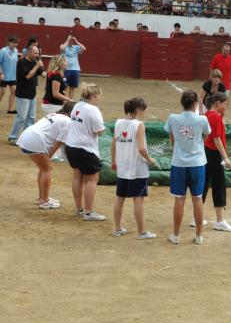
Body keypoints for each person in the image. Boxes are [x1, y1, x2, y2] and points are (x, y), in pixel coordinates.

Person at [164, 90, 211, 245]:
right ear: (196, 103)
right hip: (197, 163)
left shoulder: (173, 118)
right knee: (198, 199)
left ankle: (176, 235)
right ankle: (199, 236)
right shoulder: (202, 119)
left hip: (179, 163)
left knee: (179, 198)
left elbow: (172, 139)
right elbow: (204, 138)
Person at [111, 98, 157, 239]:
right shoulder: (139, 125)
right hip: (136, 168)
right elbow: (141, 148)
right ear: (138, 109)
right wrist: (150, 160)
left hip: (123, 167)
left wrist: (114, 161)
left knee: (120, 198)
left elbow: (113, 143)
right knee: (138, 198)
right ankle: (141, 232)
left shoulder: (118, 123)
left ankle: (117, 228)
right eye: (143, 109)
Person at [16, 102, 75, 209]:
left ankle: (42, 197)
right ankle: (44, 200)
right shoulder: (69, 122)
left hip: (27, 136)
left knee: (43, 169)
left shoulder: (54, 115)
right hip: (35, 139)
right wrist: (50, 156)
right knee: (47, 169)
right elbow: (58, 142)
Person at [64, 83, 106, 221]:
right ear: (94, 95)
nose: (99, 98)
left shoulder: (76, 105)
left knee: (77, 177)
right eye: (98, 95)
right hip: (86, 148)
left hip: (71, 146)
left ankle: (79, 209)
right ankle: (88, 212)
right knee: (92, 179)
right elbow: (99, 131)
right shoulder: (93, 110)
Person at [201, 92, 231, 232]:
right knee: (219, 186)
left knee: (203, 185)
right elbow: (217, 139)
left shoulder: (205, 115)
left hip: (205, 153)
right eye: (224, 104)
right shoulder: (216, 116)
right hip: (214, 155)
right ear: (217, 103)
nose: (225, 107)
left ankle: (196, 217)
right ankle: (219, 221)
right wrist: (225, 158)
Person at [8, 45, 45, 145]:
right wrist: (37, 66)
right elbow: (28, 76)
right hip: (23, 94)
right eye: (35, 53)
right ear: (29, 52)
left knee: (31, 118)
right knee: (22, 117)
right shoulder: (21, 62)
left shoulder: (34, 62)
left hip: (32, 94)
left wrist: (54, 76)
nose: (37, 55)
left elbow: (43, 74)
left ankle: (26, 137)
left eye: (38, 53)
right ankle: (13, 137)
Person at [60, 34, 86, 100]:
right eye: (70, 40)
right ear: (66, 40)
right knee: (65, 87)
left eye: (72, 40)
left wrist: (76, 41)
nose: (71, 41)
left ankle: (70, 101)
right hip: (66, 69)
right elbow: (62, 48)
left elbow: (84, 48)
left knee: (72, 87)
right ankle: (64, 101)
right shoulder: (63, 46)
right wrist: (68, 40)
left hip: (75, 69)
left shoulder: (76, 47)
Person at [0, 35, 19, 115]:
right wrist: (1, 73)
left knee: (14, 91)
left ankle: (10, 109)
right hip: (4, 75)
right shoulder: (3, 51)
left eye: (16, 43)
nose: (15, 44)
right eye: (13, 43)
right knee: (3, 92)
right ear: (9, 42)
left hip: (13, 75)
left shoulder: (16, 51)